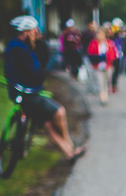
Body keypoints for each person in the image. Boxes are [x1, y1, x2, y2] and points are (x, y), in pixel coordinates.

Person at [4, 15, 86, 161]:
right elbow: (34, 72)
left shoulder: (19, 46)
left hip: (26, 93)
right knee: (59, 112)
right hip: (28, 95)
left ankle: (69, 152)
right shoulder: (19, 50)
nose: (37, 33)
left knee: (48, 125)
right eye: (34, 31)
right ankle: (70, 148)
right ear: (25, 32)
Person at [87, 28, 117, 106]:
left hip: (108, 66)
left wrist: (107, 58)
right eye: (98, 34)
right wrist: (101, 57)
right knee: (101, 83)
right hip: (98, 67)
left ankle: (106, 95)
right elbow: (90, 54)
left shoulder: (109, 43)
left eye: (101, 34)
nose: (99, 36)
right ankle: (103, 99)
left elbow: (113, 54)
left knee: (107, 82)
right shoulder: (93, 43)